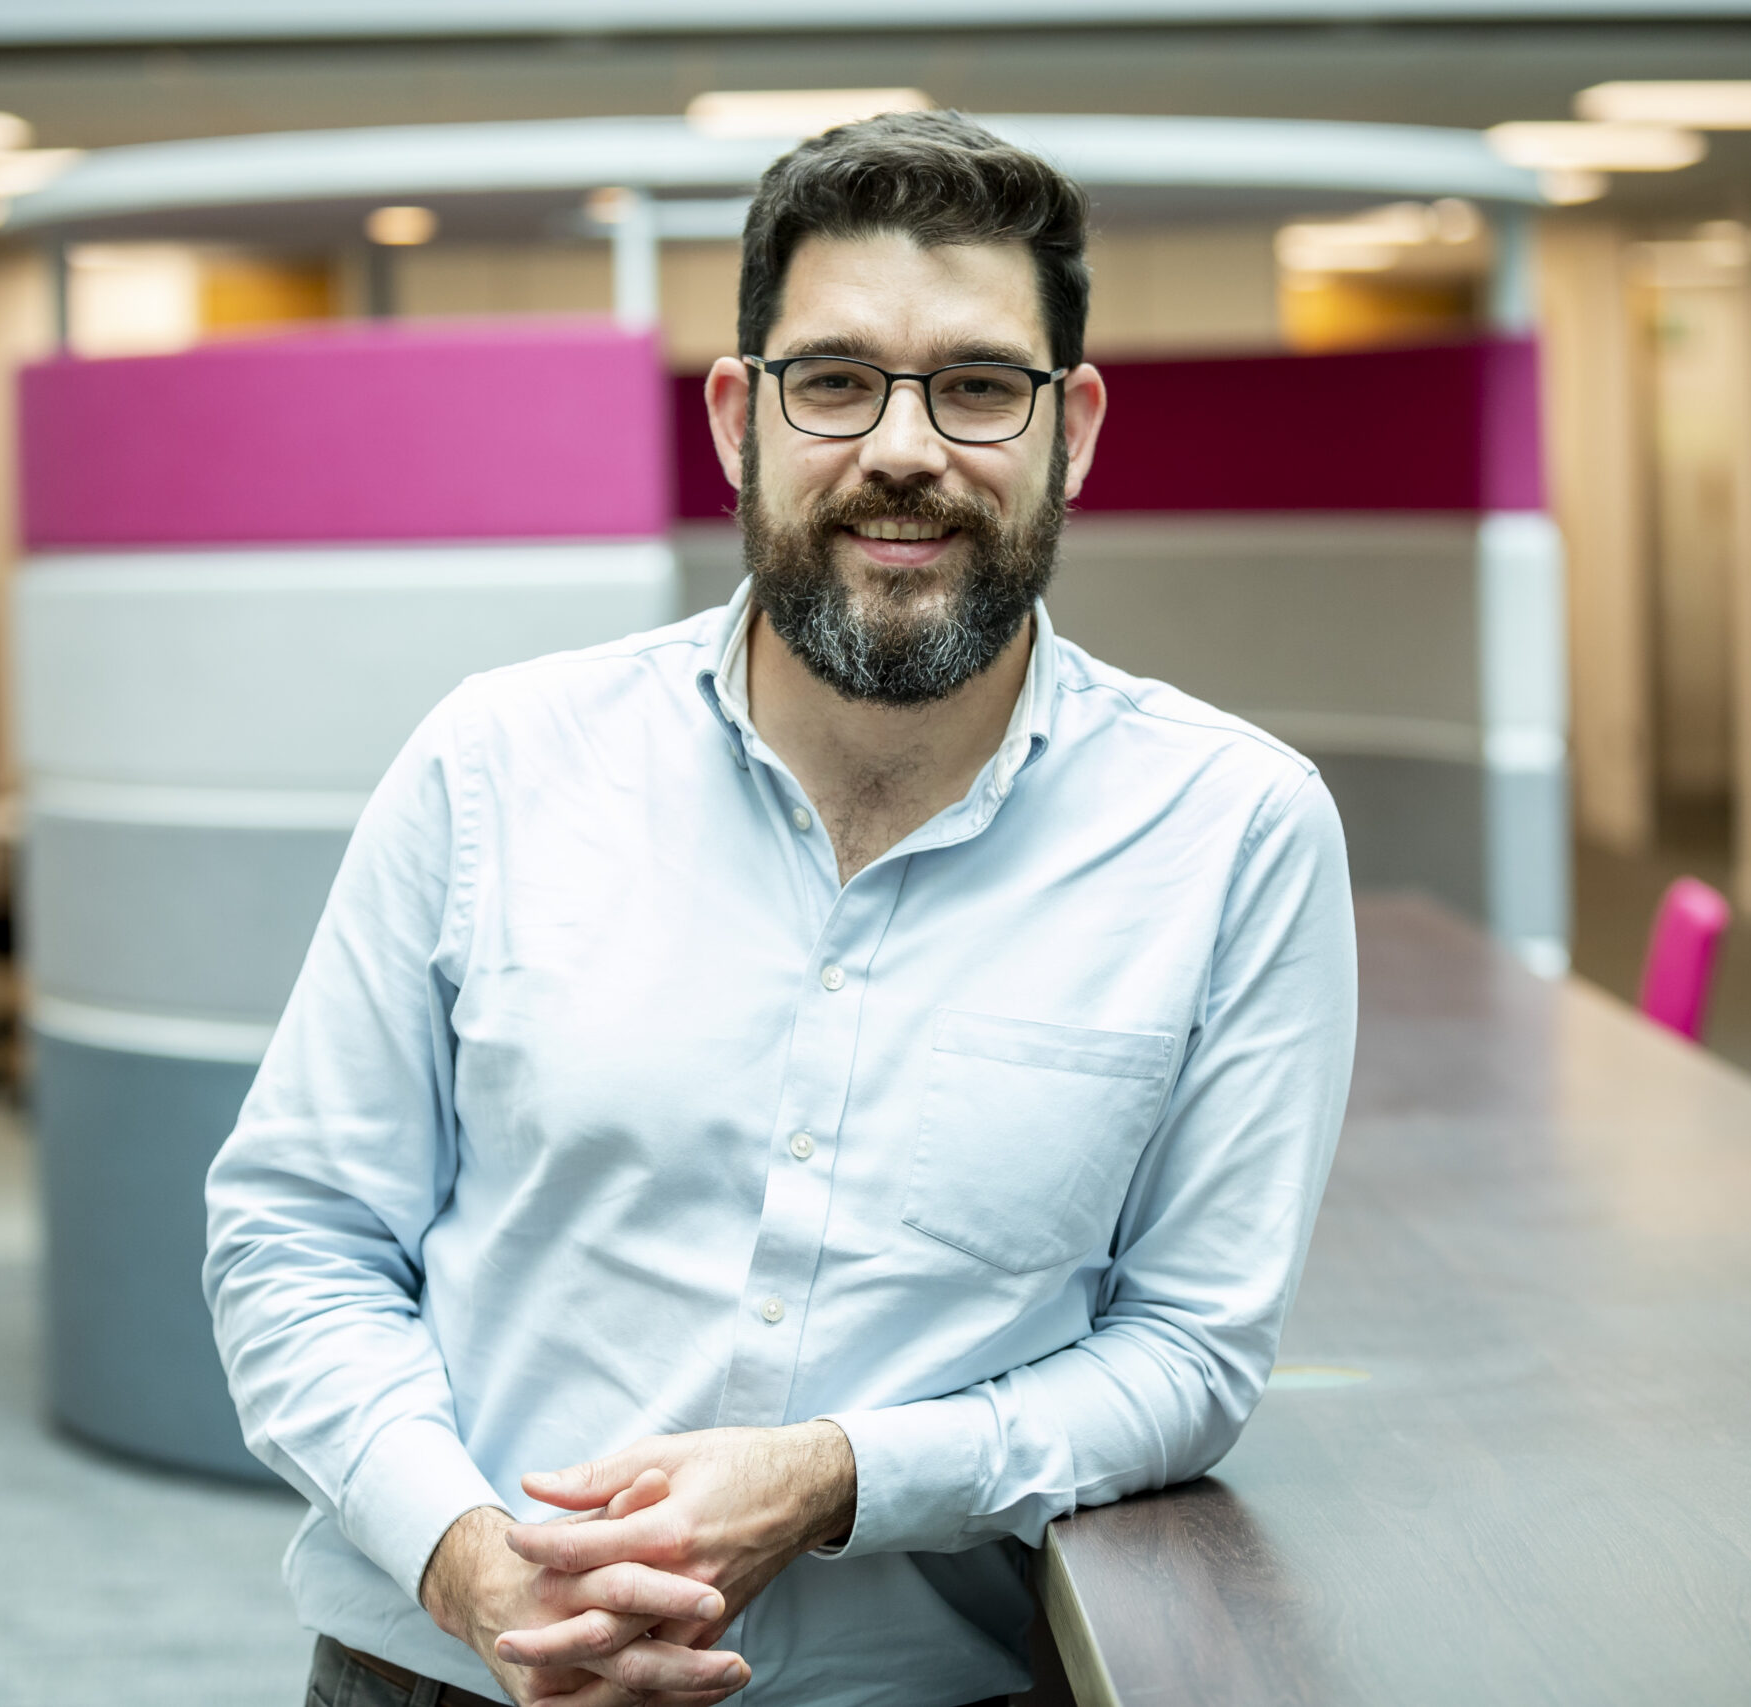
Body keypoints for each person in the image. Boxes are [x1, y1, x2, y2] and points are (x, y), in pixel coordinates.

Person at [205, 109, 1357, 1707]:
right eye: (835, 381)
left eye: (975, 385)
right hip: (448, 1676)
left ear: (1071, 429)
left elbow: (1188, 1353)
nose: (903, 448)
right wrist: (475, 1566)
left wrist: (839, 1475)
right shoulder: (496, 764)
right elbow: (297, 1240)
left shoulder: (1232, 831)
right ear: (740, 421)